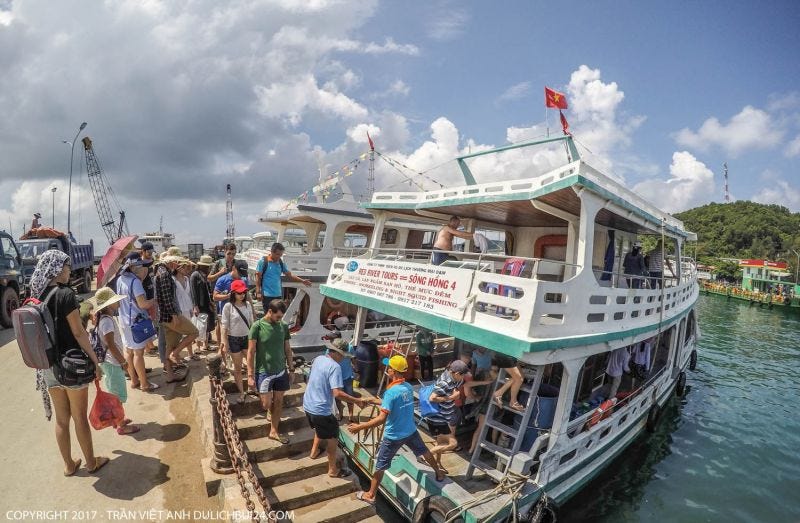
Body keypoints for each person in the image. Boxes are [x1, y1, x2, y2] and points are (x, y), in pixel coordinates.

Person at [30, 250, 108, 476]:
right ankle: (91, 463)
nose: (69, 270)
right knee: (79, 417)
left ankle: (69, 465)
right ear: (56, 269)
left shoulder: (39, 294)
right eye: (66, 267)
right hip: (71, 365)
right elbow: (79, 332)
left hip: (47, 367)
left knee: (62, 419)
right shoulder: (65, 294)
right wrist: (95, 361)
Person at [348, 355, 444, 505]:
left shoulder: (391, 392)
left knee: (380, 465)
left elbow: (381, 419)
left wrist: (359, 427)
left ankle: (371, 494)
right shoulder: (407, 387)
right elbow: (393, 403)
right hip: (410, 430)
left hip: (393, 436)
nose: (388, 369)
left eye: (389, 367)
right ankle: (438, 473)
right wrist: (372, 400)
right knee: (424, 451)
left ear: (393, 371)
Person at [303, 341, 363, 478]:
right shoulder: (335, 367)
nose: (343, 358)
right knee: (333, 439)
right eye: (342, 355)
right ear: (336, 353)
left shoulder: (318, 359)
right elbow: (337, 393)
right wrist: (357, 401)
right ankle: (332, 470)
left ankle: (313, 452)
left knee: (319, 428)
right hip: (321, 410)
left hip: (308, 405)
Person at [89, 287, 139, 435]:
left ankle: (118, 420)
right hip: (112, 363)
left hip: (109, 362)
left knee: (116, 393)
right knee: (117, 396)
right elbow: (111, 345)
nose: (118, 303)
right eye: (115, 301)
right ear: (108, 305)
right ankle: (121, 425)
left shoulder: (105, 320)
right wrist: (123, 362)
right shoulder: (107, 322)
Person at [247, 299, 293, 444]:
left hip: (280, 371)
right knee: (267, 404)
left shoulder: (283, 326)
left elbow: (287, 349)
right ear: (270, 311)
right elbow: (251, 351)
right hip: (264, 371)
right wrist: (249, 374)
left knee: (279, 401)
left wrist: (291, 368)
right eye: (278, 316)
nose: (280, 320)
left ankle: (274, 430)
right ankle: (269, 410)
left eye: (281, 317)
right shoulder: (257, 326)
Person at [117, 253, 160, 391]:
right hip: (136, 322)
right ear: (134, 267)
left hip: (123, 320)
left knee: (128, 351)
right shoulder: (135, 282)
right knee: (138, 353)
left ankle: (134, 380)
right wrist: (154, 301)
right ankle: (144, 384)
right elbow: (142, 304)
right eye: (141, 265)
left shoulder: (120, 279)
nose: (143, 268)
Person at [155, 255, 196, 383]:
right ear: (171, 262)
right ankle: (175, 353)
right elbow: (168, 298)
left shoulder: (159, 272)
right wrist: (174, 315)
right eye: (176, 262)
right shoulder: (165, 274)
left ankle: (170, 375)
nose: (177, 265)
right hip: (170, 316)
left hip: (164, 316)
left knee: (170, 345)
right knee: (194, 332)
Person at [426, 359, 469, 472]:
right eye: (463, 375)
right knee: (453, 443)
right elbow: (432, 398)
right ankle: (425, 455)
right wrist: (452, 397)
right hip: (438, 419)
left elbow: (462, 386)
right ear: (457, 373)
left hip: (443, 417)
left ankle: (438, 463)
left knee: (441, 443)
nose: (464, 378)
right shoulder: (445, 382)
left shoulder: (453, 378)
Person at [221, 279, 254, 404]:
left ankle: (252, 388)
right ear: (233, 293)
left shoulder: (248, 305)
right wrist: (225, 344)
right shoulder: (228, 307)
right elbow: (224, 327)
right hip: (233, 339)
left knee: (251, 365)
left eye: (244, 292)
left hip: (247, 338)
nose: (242, 295)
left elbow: (252, 323)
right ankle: (241, 392)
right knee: (238, 368)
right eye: (239, 293)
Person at [254, 242, 311, 312]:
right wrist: (258, 292)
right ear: (272, 252)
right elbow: (258, 277)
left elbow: (289, 275)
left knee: (278, 315)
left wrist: (302, 281)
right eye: (277, 254)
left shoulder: (281, 263)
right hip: (267, 295)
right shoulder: (263, 261)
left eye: (280, 255)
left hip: (278, 295)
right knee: (269, 316)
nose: (279, 257)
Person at [209, 244, 236, 345]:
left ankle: (230, 344)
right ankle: (220, 345)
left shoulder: (236, 264)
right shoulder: (218, 263)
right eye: (229, 253)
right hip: (219, 297)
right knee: (220, 322)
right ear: (224, 252)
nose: (231, 256)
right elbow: (209, 278)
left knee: (232, 320)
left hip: (233, 296)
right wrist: (220, 273)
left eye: (233, 254)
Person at [326, 338, 358, 422]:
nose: (344, 356)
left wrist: (356, 370)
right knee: (337, 398)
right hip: (336, 379)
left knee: (350, 396)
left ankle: (351, 415)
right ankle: (340, 414)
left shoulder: (350, 347)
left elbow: (353, 359)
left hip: (347, 377)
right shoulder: (329, 352)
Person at [174, 259, 199, 360]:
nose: (187, 269)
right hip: (178, 310)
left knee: (189, 333)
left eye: (188, 267)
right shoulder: (172, 279)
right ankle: (176, 354)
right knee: (178, 334)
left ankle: (190, 353)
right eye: (185, 267)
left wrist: (194, 306)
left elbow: (190, 294)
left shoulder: (187, 279)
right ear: (179, 268)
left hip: (188, 309)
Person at [191, 255, 217, 351]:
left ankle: (205, 345)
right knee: (199, 326)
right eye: (207, 266)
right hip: (200, 305)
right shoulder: (195, 275)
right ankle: (197, 347)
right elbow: (193, 291)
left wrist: (211, 302)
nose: (208, 267)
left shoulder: (204, 275)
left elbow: (208, 290)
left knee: (206, 326)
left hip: (206, 303)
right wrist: (195, 305)